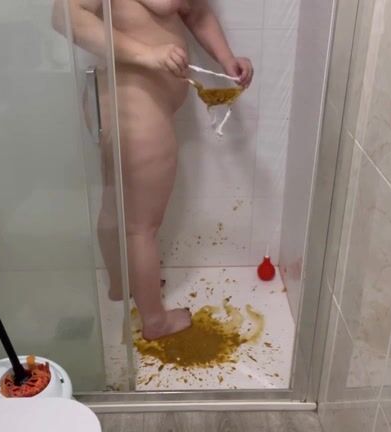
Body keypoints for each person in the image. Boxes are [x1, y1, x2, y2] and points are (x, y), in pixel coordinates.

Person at [52, 0, 253, 340]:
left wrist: (227, 58)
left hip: (139, 102)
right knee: (142, 226)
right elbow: (64, 15)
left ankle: (122, 285)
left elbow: (195, 11)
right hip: (129, 100)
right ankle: (155, 321)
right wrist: (147, 54)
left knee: (117, 205)